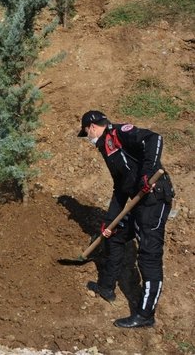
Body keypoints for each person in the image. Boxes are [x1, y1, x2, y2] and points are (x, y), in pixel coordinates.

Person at [78, 110, 175, 328]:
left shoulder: (119, 133)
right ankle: (106, 287)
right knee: (115, 234)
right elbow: (120, 187)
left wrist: (147, 174)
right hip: (139, 202)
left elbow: (154, 139)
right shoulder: (106, 147)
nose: (87, 138)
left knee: (149, 257)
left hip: (155, 199)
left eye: (86, 133)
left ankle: (145, 315)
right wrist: (110, 221)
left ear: (92, 127)